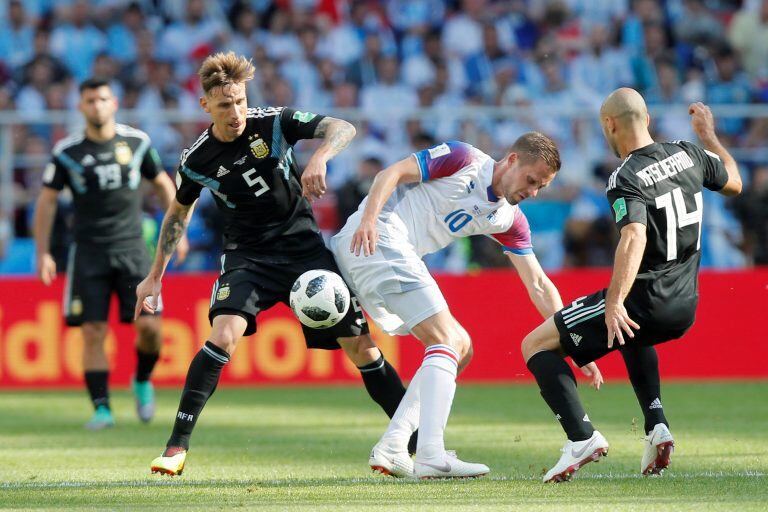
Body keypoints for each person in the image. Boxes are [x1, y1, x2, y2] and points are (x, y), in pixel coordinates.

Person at [135, 52, 413, 476]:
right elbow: (178, 212)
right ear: (205, 105)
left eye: (241, 101)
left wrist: (320, 156)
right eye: (225, 105)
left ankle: (417, 443)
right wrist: (155, 276)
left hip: (306, 253)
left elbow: (343, 127)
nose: (236, 112)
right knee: (224, 333)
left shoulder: (274, 121)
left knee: (362, 348)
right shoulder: (197, 159)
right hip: (249, 257)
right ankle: (176, 447)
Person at [330, 133, 603, 479]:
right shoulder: (463, 158)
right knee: (450, 340)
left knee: (462, 349)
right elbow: (391, 174)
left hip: (388, 254)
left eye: (541, 188)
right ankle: (430, 453)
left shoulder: (509, 218)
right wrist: (369, 218)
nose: (533, 192)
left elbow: (538, 283)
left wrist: (575, 340)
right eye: (531, 180)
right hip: (376, 237)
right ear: (512, 159)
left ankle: (395, 443)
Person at [521, 88, 742, 483]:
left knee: (535, 345)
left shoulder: (624, 176)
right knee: (632, 335)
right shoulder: (689, 153)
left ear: (610, 124)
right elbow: (735, 184)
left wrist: (614, 301)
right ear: (647, 119)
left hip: (644, 298)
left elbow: (634, 235)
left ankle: (581, 438)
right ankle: (657, 424)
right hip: (686, 303)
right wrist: (708, 136)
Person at [33, 77, 188, 430]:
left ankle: (142, 379)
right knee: (92, 330)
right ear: (81, 106)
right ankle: (102, 408)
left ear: (114, 103)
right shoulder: (66, 152)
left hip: (134, 249)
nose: (97, 106)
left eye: (103, 99)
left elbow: (164, 185)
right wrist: (42, 252)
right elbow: (47, 200)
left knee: (149, 328)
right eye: (90, 100)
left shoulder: (136, 143)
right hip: (88, 252)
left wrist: (177, 234)